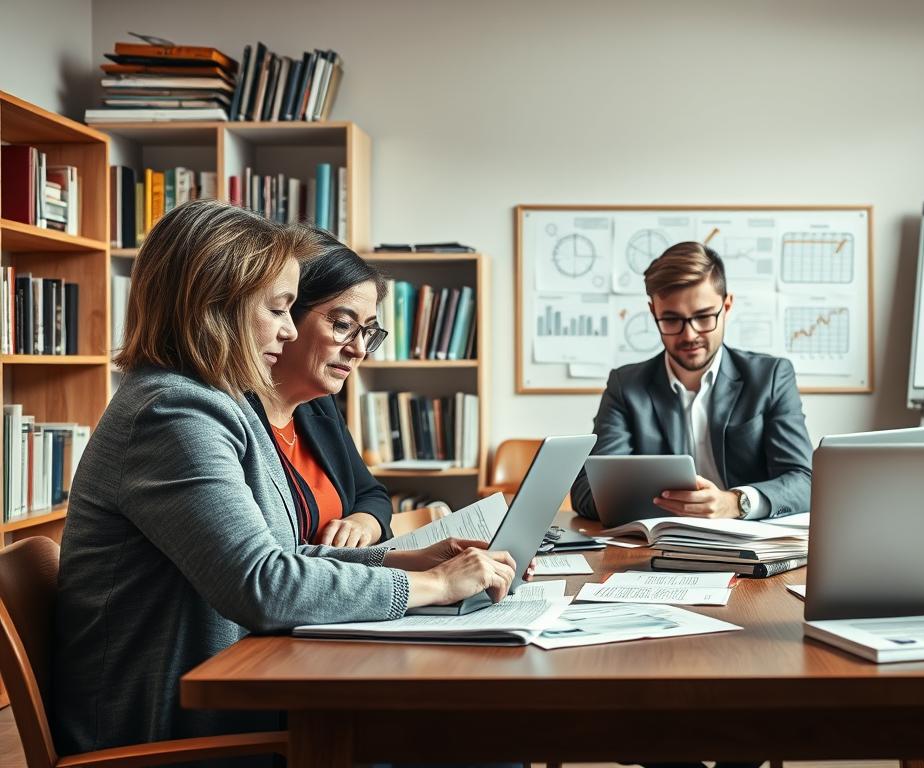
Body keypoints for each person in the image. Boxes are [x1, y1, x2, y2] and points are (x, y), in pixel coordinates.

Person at [51, 200, 518, 757]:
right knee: (474, 733)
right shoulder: (172, 415)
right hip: (173, 726)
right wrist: (438, 586)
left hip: (230, 686)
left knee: (471, 722)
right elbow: (263, 586)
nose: (291, 329)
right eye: (278, 310)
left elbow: (280, 556)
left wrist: (404, 561)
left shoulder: (212, 404)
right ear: (216, 307)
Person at [571, 241, 812, 522]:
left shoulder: (770, 377)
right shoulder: (626, 386)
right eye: (672, 320)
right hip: (656, 550)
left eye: (703, 316)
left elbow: (804, 482)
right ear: (653, 313)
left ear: (727, 305)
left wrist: (735, 502)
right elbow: (587, 491)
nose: (689, 335)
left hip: (748, 550)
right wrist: (677, 506)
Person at [256, 230, 393, 547]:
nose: (359, 349)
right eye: (343, 325)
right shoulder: (229, 415)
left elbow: (371, 494)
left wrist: (363, 524)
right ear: (287, 312)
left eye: (367, 331)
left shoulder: (318, 404)